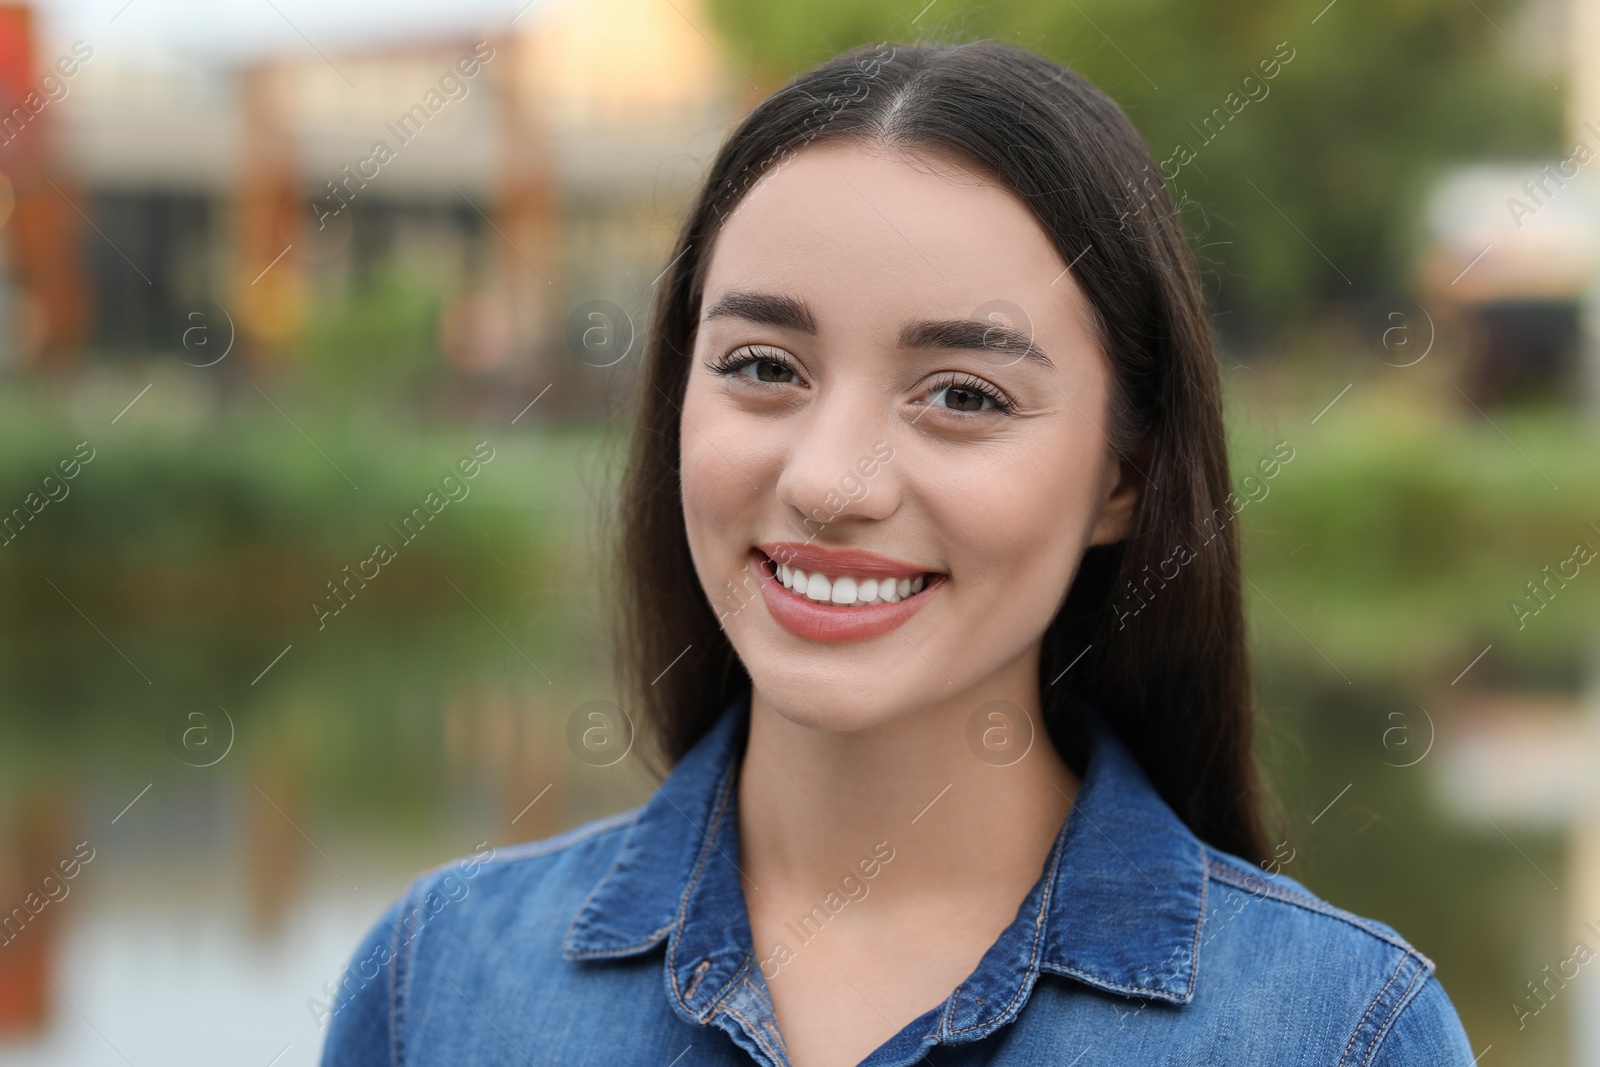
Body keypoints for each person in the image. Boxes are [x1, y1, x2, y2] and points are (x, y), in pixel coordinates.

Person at [320, 40, 1476, 1066]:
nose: (827, 481)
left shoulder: (1337, 1032)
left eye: (962, 393)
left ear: (1122, 477)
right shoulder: (443, 985)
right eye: (763, 366)